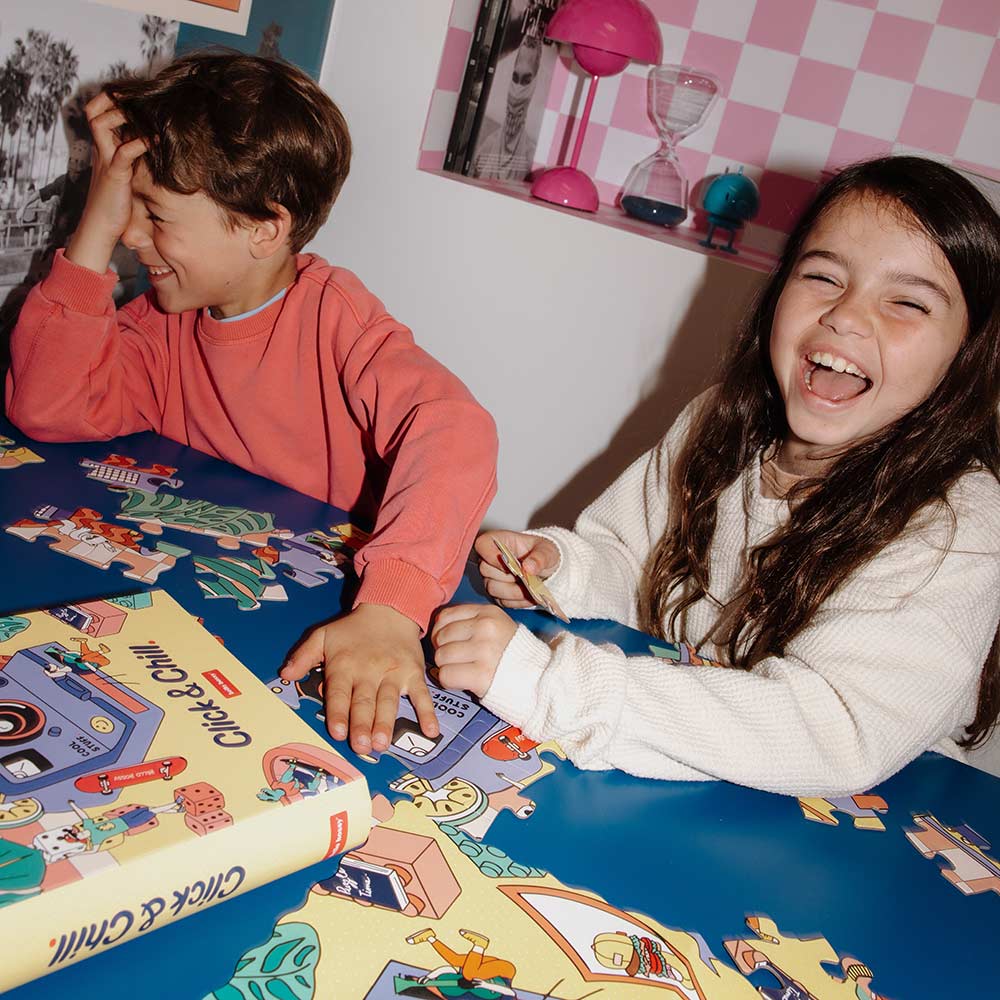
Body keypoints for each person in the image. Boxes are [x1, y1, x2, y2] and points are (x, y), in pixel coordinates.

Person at [432, 156, 1000, 796]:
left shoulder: (961, 524)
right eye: (822, 276)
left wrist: (549, 684)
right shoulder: (720, 420)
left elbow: (834, 731)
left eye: (907, 302)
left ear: (969, 352)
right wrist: (566, 571)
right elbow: (635, 560)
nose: (846, 315)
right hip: (678, 763)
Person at [5, 52, 498, 757]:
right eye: (127, 212)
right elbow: (47, 407)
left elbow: (454, 429)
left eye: (154, 215)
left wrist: (391, 606)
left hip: (330, 618)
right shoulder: (162, 320)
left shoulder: (336, 319)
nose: (133, 238)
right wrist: (95, 226)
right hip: (196, 611)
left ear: (264, 229)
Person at [470, 35, 543, 181]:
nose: (517, 92)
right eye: (515, 78)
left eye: (526, 80)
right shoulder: (486, 148)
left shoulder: (531, 159)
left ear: (534, 84)